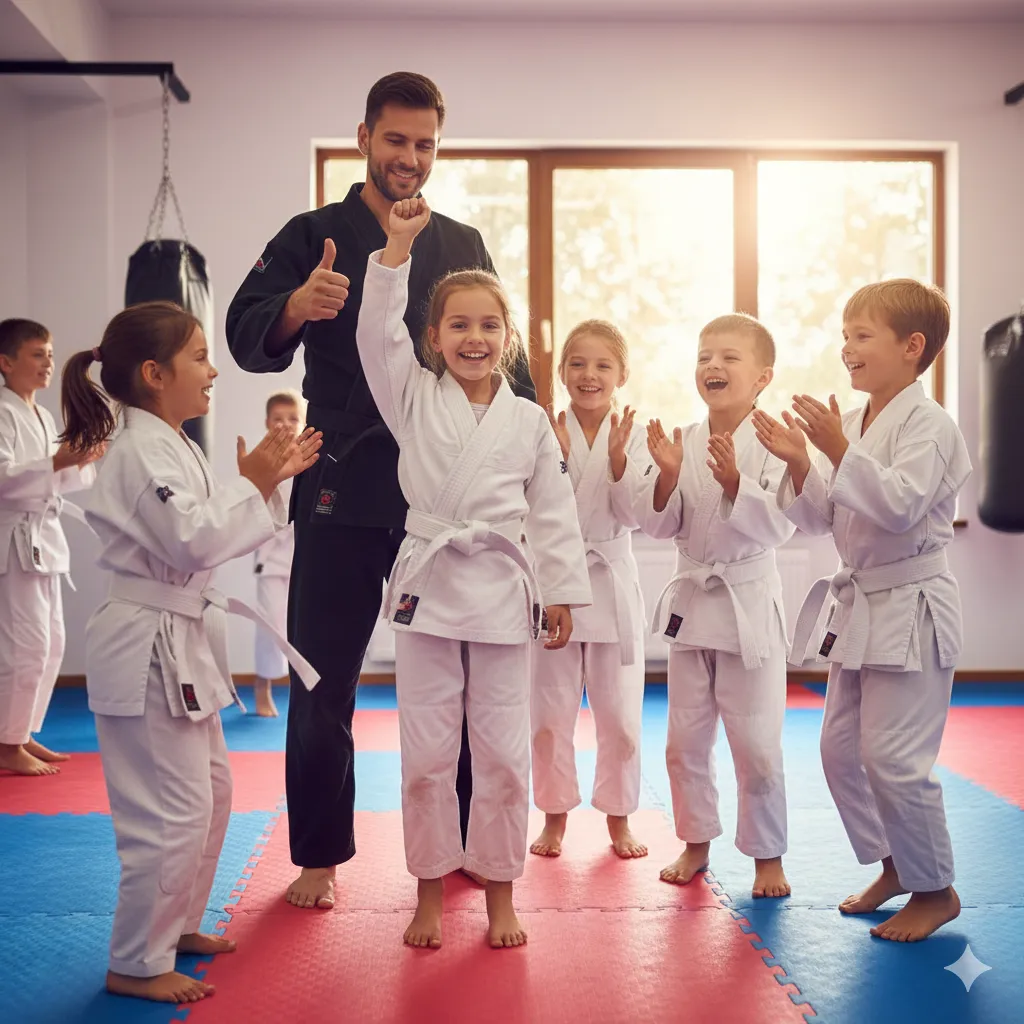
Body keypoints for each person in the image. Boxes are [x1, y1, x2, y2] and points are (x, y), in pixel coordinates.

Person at [226, 72, 536, 908]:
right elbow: (246, 337)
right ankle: (320, 856)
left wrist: (537, 459)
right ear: (363, 135)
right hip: (345, 475)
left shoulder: (462, 239)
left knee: (470, 678)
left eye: (426, 143)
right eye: (395, 140)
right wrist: (294, 306)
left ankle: (472, 845)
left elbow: (510, 364)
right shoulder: (314, 231)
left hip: (451, 490)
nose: (410, 158)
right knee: (324, 675)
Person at [60, 301, 322, 1003]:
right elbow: (193, 541)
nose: (212, 371)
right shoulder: (140, 448)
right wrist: (256, 483)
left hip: (180, 640)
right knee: (168, 812)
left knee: (212, 793)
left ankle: (175, 926)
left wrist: (265, 486)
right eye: (200, 357)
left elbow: (218, 534)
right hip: (146, 642)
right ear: (154, 373)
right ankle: (135, 961)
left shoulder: (169, 439)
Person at [356, 196, 590, 949]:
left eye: (490, 325)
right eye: (458, 324)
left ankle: (500, 893)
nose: (475, 337)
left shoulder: (526, 418)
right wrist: (395, 253)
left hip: (498, 592)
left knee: (501, 752)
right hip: (427, 591)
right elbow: (372, 335)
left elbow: (552, 509)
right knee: (426, 752)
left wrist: (560, 592)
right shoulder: (411, 396)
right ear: (431, 337)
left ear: (510, 338)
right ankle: (428, 890)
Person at [754, 278, 970, 942]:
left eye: (862, 334)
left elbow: (902, 504)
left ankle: (937, 889)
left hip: (913, 607)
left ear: (912, 347)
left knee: (893, 758)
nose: (846, 348)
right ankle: (896, 865)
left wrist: (838, 452)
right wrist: (799, 462)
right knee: (842, 752)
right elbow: (824, 517)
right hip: (864, 607)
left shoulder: (932, 427)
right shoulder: (852, 423)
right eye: (844, 334)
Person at [632, 314, 794, 899]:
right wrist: (667, 477)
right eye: (704, 356)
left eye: (728, 357)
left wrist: (734, 485)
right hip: (693, 609)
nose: (713, 367)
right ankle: (696, 841)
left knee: (756, 742)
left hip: (746, 607)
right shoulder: (685, 439)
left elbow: (780, 525)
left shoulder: (777, 439)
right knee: (684, 739)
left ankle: (767, 854)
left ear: (762, 377)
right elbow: (661, 524)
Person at [528, 321, 651, 861]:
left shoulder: (639, 434)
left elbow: (639, 515)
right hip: (556, 583)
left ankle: (619, 819)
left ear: (622, 374)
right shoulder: (541, 430)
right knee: (550, 715)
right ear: (562, 373)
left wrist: (620, 462)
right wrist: (554, 458)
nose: (589, 375)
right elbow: (534, 509)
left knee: (621, 718)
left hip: (611, 582)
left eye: (603, 365)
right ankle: (555, 817)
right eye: (577, 364)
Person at [0, 318, 103, 776]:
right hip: (11, 542)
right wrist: (61, 459)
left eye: (50, 353)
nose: (48, 363)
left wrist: (81, 459)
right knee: (25, 645)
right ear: (5, 362)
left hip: (43, 539)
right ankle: (6, 746)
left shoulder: (40, 415)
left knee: (52, 642)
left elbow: (56, 478)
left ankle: (21, 733)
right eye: (37, 354)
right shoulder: (2, 411)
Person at [252, 389, 306, 717]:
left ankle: (303, 693)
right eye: (278, 419)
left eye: (293, 419)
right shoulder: (261, 458)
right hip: (270, 559)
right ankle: (262, 687)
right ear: (267, 423)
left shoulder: (311, 455)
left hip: (304, 557)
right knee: (270, 626)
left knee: (306, 630)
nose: (286, 425)